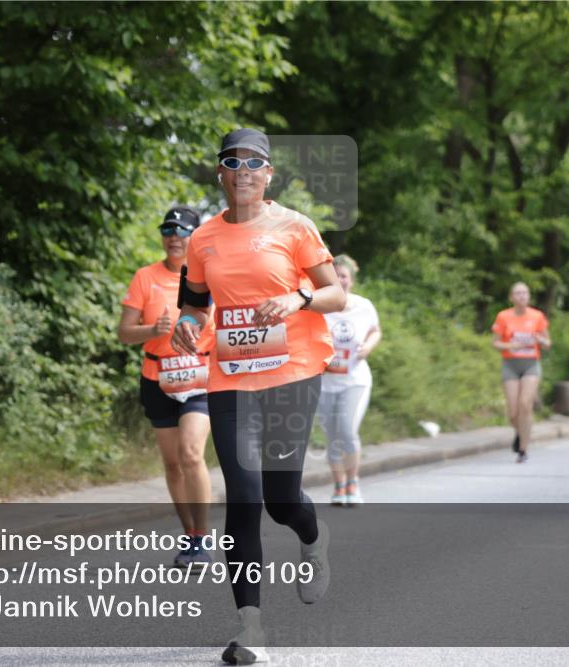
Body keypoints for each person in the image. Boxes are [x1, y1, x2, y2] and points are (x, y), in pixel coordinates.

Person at [171, 128, 345, 665]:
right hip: (231, 380)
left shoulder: (294, 226)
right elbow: (195, 306)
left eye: (255, 163)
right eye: (232, 161)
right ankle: (251, 630)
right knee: (243, 502)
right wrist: (185, 323)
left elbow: (337, 293)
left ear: (268, 173)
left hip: (292, 375)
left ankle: (313, 542)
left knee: (281, 500)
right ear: (219, 173)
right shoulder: (202, 239)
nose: (243, 170)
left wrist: (297, 299)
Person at [119, 206, 215, 567]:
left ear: (194, 238)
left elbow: (221, 330)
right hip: (157, 378)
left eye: (182, 231)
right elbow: (124, 333)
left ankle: (202, 540)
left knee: (192, 453)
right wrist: (153, 330)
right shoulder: (145, 277)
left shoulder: (206, 278)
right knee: (173, 464)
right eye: (168, 230)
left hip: (199, 378)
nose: (174, 237)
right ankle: (189, 534)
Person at [316, 254, 381, 506]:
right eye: (335, 275)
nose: (339, 280)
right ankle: (339, 484)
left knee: (346, 429)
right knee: (331, 435)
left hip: (355, 380)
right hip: (325, 383)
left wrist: (367, 346)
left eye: (343, 276)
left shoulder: (364, 305)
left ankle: (353, 482)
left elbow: (376, 330)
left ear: (350, 280)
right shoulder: (320, 306)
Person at [491, 282, 550, 463]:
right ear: (511, 297)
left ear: (529, 296)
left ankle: (523, 449)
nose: (522, 296)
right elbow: (495, 342)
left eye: (525, 293)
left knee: (525, 405)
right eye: (517, 293)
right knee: (513, 412)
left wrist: (540, 339)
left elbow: (548, 344)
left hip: (531, 364)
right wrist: (511, 345)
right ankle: (520, 431)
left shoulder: (537, 316)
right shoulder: (503, 317)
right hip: (510, 364)